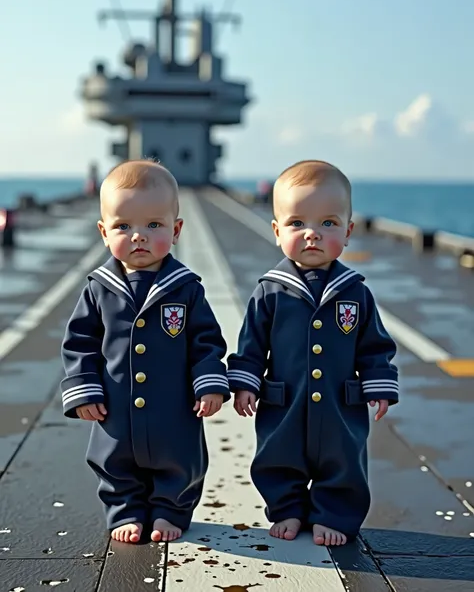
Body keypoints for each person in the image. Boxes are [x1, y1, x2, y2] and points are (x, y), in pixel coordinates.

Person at [228, 160, 398, 546]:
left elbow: (374, 345)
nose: (312, 234)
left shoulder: (356, 292)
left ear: (348, 231)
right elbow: (250, 345)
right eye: (296, 224)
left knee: (343, 461)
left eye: (328, 223)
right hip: (283, 401)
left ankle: (334, 513)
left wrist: (379, 384)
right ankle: (286, 507)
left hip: (340, 403)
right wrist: (245, 384)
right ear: (276, 231)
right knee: (277, 457)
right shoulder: (270, 292)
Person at [60, 159, 229, 544]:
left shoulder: (186, 288)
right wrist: (85, 388)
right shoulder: (98, 288)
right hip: (116, 404)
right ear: (104, 232)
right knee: (114, 459)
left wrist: (208, 383)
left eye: (154, 225)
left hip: (174, 403)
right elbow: (79, 342)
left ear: (176, 229)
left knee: (180, 457)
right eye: (123, 226)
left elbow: (206, 339)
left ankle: (172, 509)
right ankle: (125, 509)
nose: (139, 236)